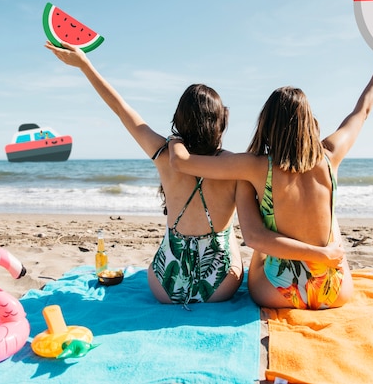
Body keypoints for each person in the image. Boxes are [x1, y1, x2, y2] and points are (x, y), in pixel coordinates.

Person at [45, 41, 335, 306]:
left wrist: (86, 65)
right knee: (230, 234)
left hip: (164, 286)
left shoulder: (164, 155)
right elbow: (255, 233)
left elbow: (122, 110)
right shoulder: (237, 168)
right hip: (220, 286)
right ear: (222, 121)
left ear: (178, 119)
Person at [169, 31, 373, 309]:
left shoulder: (255, 166)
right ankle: (323, 257)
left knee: (260, 244)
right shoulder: (330, 156)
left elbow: (181, 162)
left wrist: (175, 138)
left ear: (266, 123)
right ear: (309, 122)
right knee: (332, 220)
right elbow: (362, 110)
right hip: (333, 291)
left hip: (280, 293)